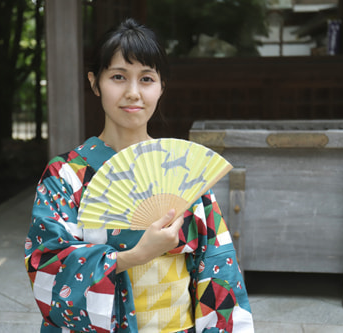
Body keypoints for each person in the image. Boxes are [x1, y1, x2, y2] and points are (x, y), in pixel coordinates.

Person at [25, 18, 253, 333]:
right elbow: (46, 260)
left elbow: (218, 265)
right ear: (95, 82)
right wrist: (131, 257)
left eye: (146, 79)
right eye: (118, 77)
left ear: (161, 87)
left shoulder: (187, 170)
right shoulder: (66, 174)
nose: (133, 93)